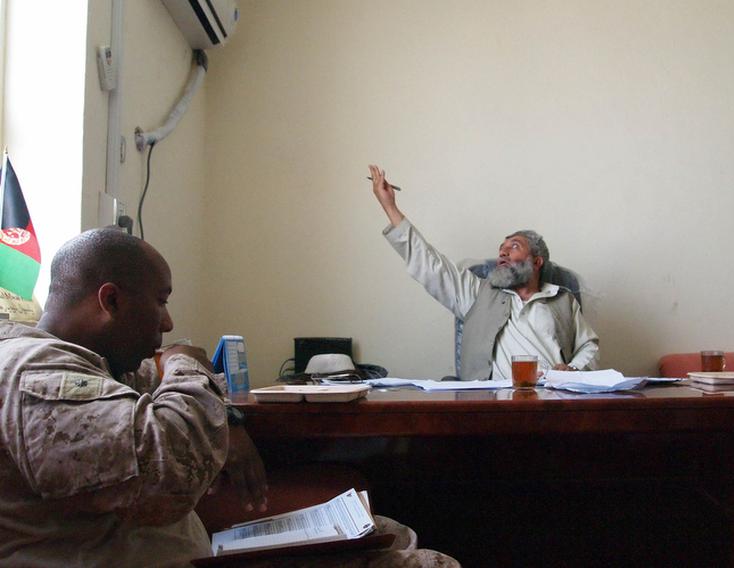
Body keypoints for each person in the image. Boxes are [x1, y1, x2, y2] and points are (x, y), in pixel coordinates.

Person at [0, 229, 458, 568]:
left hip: (185, 549)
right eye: (161, 301)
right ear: (111, 301)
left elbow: (159, 379)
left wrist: (230, 417)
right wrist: (187, 364)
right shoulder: (35, 376)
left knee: (388, 533)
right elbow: (168, 470)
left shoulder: (94, 362)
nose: (168, 322)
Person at [369, 165, 599, 380]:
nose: (503, 252)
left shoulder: (563, 299)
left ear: (537, 261)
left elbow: (588, 346)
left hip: (552, 400)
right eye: (502, 248)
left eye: (514, 246)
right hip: (493, 405)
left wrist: (573, 369)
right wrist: (389, 207)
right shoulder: (476, 293)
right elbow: (430, 264)